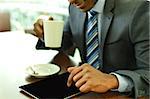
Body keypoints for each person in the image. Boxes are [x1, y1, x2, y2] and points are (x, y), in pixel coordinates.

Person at [33, 0, 149, 98]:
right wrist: (46, 33)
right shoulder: (75, 8)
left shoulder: (138, 9)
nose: (71, 1)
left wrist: (112, 80)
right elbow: (66, 41)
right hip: (84, 89)